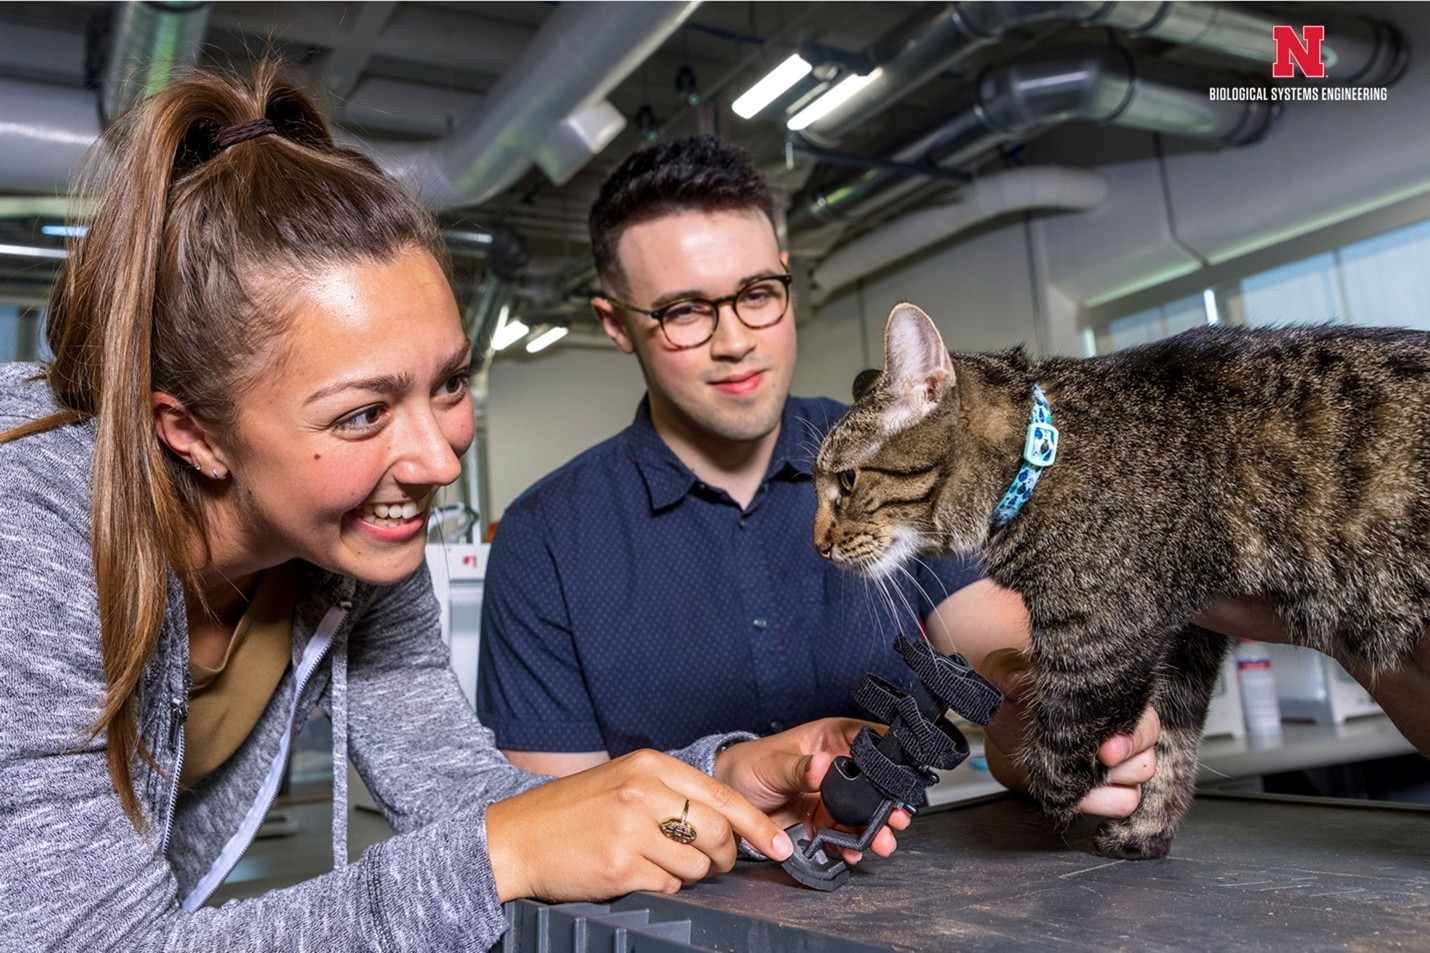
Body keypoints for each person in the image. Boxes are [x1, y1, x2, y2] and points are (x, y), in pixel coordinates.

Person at [0, 66, 910, 951]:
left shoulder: (345, 546)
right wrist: (497, 858)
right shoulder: (32, 529)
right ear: (190, 431)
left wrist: (715, 781)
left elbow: (454, 787)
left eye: (447, 385)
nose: (436, 460)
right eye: (362, 414)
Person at [477, 135, 1160, 819]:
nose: (736, 339)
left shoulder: (900, 458)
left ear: (784, 274)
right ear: (616, 323)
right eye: (684, 311)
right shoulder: (545, 540)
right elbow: (550, 820)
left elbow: (997, 647)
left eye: (758, 292)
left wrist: (1042, 711)